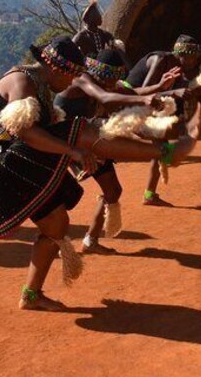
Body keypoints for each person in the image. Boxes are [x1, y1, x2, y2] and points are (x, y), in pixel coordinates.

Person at [0, 36, 201, 311]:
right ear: (59, 69)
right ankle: (166, 152)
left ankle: (31, 296)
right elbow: (25, 131)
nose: (71, 84)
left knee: (57, 224)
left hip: (18, 161)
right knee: (81, 130)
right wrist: (72, 151)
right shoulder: (21, 81)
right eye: (71, 76)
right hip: (3, 163)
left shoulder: (41, 84)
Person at [55, 49, 182, 254]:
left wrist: (159, 87)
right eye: (109, 81)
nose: (111, 85)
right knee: (58, 199)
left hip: (87, 140)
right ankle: (54, 243)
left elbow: (129, 93)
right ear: (100, 74)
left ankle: (90, 241)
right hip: (61, 141)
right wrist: (142, 101)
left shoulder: (106, 84)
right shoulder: (82, 79)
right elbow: (105, 97)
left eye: (114, 81)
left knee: (113, 191)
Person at [125, 34, 201, 205]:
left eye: (194, 59)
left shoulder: (179, 67)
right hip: (127, 105)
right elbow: (142, 92)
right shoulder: (161, 60)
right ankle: (155, 183)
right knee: (162, 146)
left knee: (162, 144)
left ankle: (150, 194)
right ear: (180, 54)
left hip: (148, 107)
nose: (192, 62)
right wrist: (170, 92)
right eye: (189, 58)